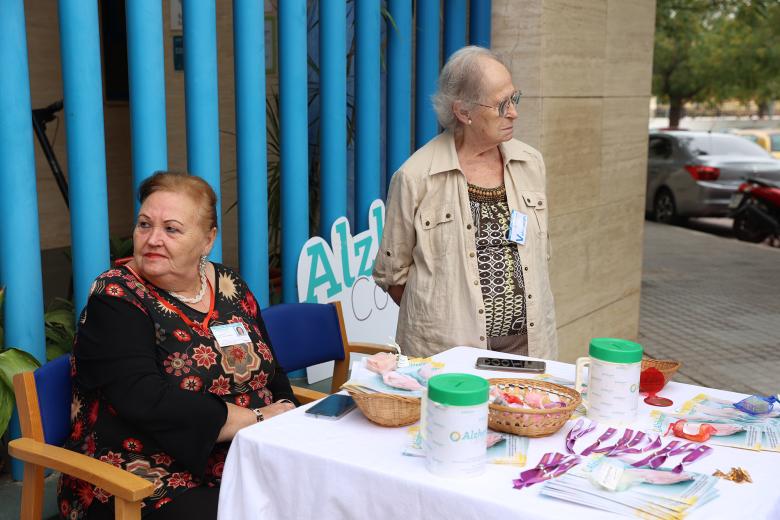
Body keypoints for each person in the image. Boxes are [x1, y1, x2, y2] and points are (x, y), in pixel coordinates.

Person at [59, 172, 297, 519]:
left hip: (246, 451)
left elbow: (270, 370)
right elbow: (146, 400)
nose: (153, 239)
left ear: (207, 240)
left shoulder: (230, 285)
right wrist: (257, 417)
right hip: (144, 474)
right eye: (144, 225)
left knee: (327, 486)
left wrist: (286, 408)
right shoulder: (116, 297)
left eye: (171, 229)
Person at [373, 46, 558, 359]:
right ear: (463, 112)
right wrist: (446, 318)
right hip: (450, 360)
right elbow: (393, 276)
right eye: (502, 104)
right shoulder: (416, 177)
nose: (514, 112)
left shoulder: (531, 163)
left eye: (515, 98)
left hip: (529, 352)